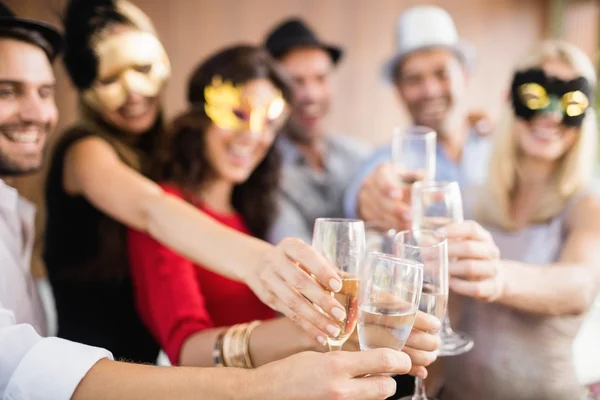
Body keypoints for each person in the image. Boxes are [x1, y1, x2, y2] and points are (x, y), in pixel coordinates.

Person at [0, 4, 431, 399]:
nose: (253, 134)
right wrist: (294, 303)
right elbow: (152, 211)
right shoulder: (95, 157)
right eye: (238, 114)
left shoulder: (251, 206)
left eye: (43, 92)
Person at [43, 0, 346, 363]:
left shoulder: (247, 201)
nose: (133, 91)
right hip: (92, 373)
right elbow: (150, 209)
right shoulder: (87, 153)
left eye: (142, 67)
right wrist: (266, 269)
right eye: (109, 77)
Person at [440, 40, 600, 400]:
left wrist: (497, 276)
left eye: (570, 101)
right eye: (536, 95)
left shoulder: (587, 206)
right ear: (510, 99)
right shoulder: (471, 200)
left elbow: (578, 286)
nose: (552, 116)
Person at [344, 6, 491, 230]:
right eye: (414, 79)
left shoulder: (497, 145)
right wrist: (370, 201)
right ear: (398, 90)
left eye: (442, 74)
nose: (430, 91)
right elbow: (361, 198)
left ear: (464, 76)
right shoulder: (387, 160)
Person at [264, 18, 370, 244]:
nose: (311, 95)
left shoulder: (359, 155)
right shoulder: (264, 172)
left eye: (321, 78)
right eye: (296, 82)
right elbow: (300, 261)